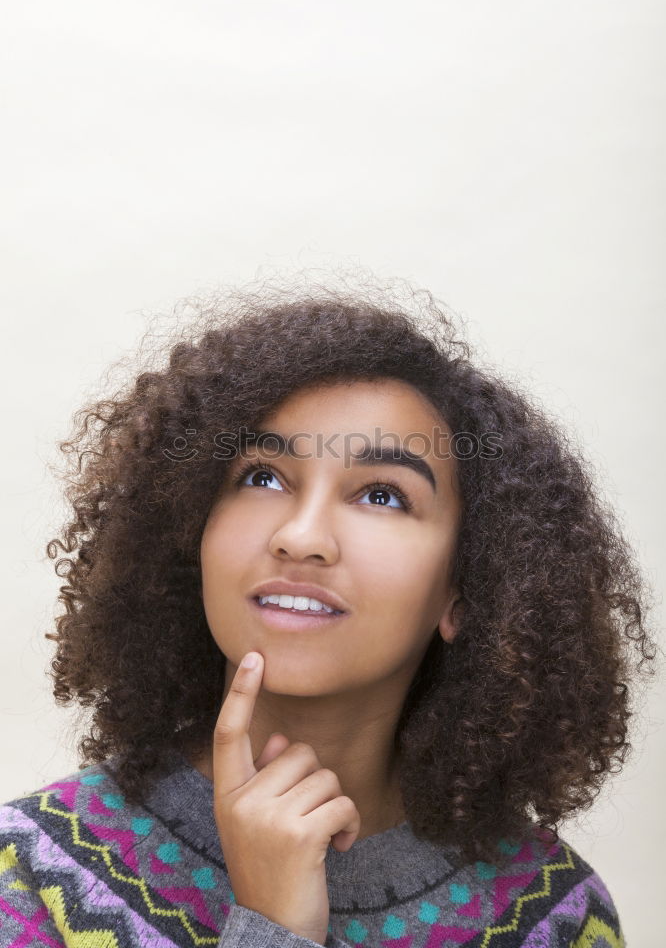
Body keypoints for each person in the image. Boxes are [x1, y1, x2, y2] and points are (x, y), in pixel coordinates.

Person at [0, 274, 655, 947]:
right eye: (262, 477)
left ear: (466, 589)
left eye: (382, 495)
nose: (302, 536)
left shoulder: (553, 918)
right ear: (190, 532)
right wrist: (273, 927)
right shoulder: (31, 875)